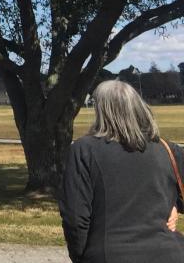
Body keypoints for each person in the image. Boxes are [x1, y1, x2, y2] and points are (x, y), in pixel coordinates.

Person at [60, 79, 184, 263]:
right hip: (170, 253)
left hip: (109, 254)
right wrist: (173, 205)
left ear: (101, 111)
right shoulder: (168, 149)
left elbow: (75, 218)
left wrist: (80, 256)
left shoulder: (83, 150)